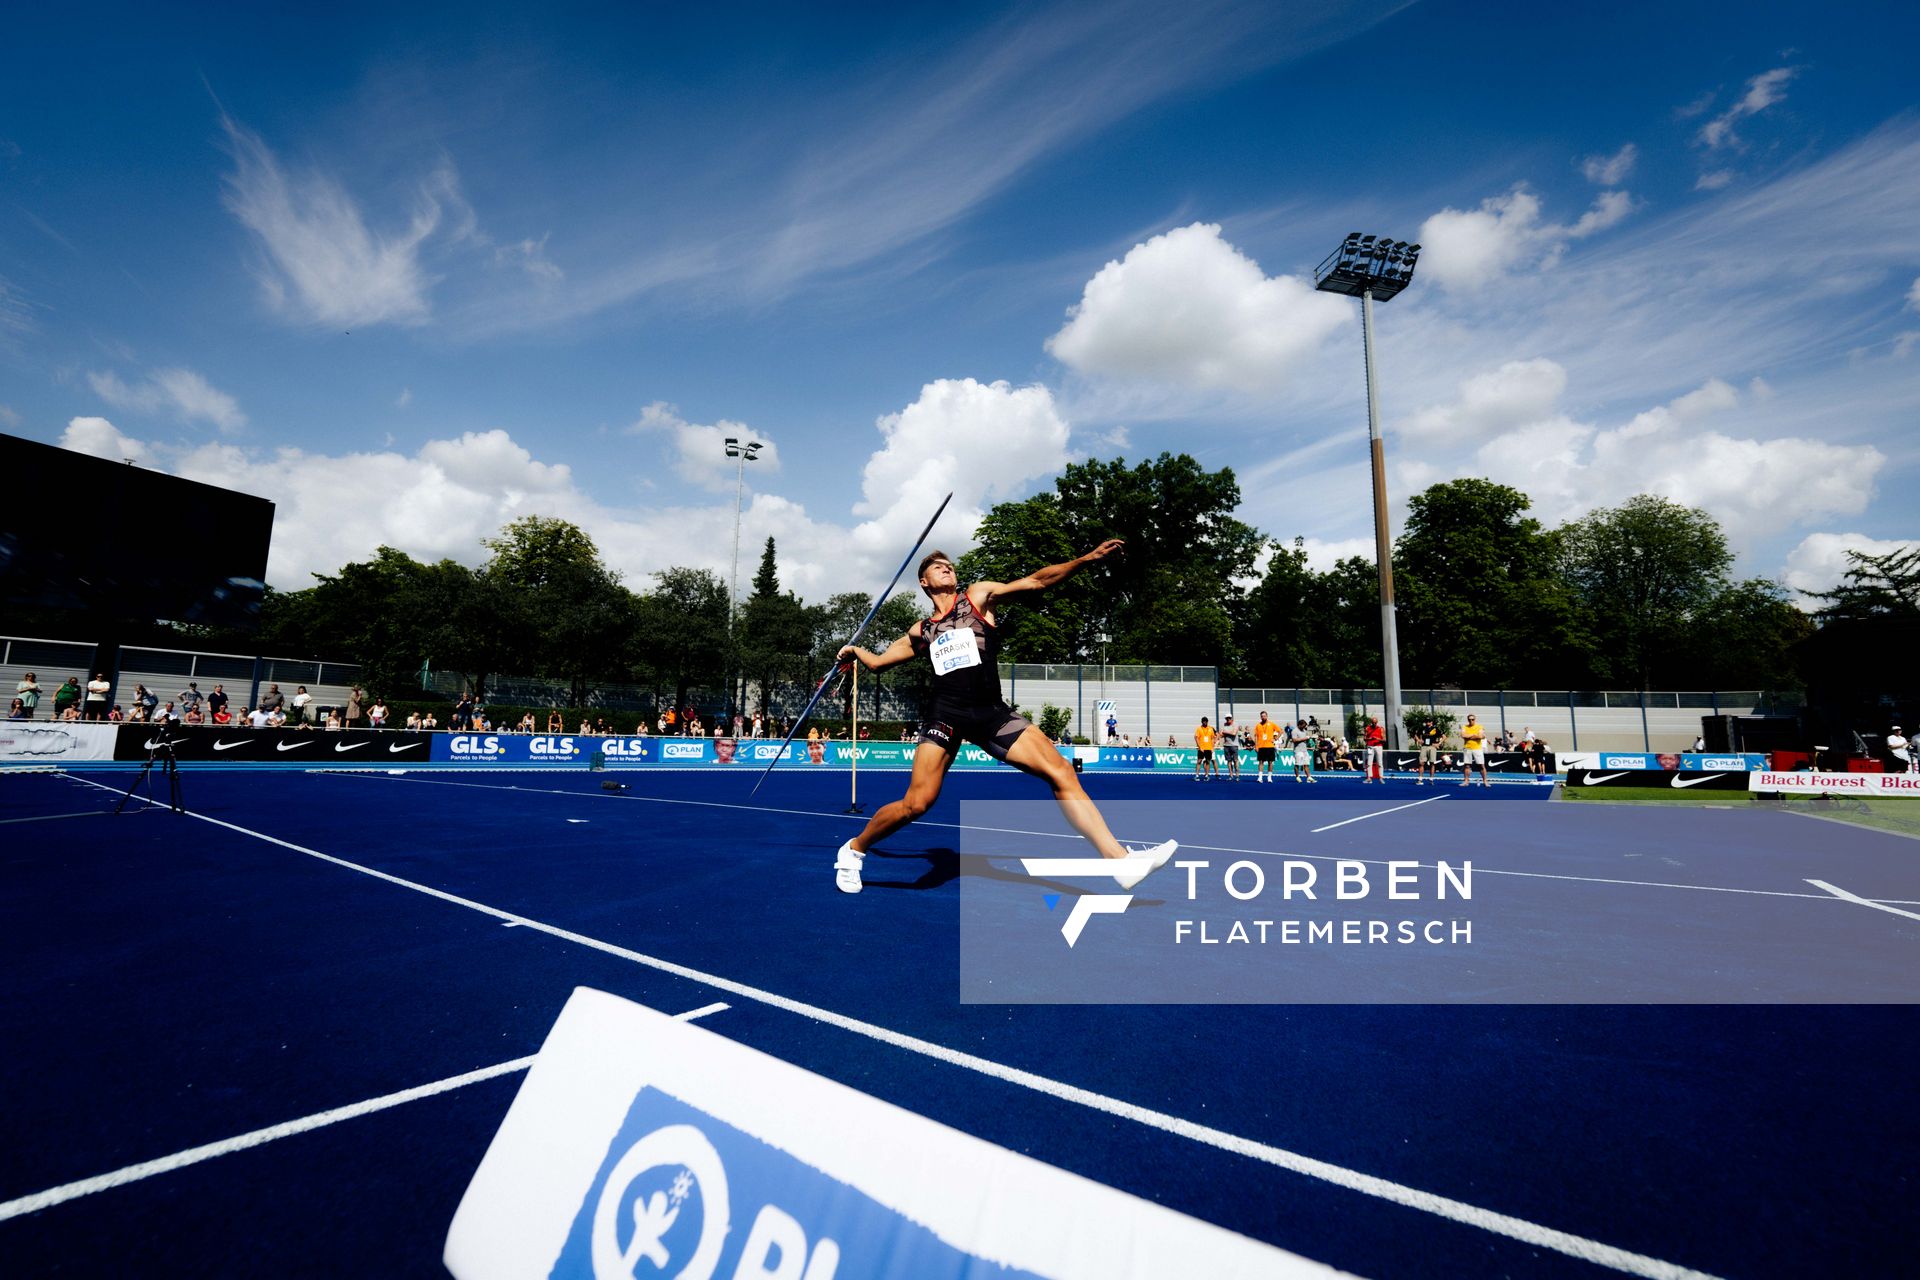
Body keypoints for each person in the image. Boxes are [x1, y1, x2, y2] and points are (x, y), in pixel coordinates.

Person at [831, 542, 1175, 894]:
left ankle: (1119, 862)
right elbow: (878, 662)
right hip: (945, 713)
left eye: (950, 565)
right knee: (917, 803)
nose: (948, 568)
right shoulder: (921, 631)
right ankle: (854, 850)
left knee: (1061, 771)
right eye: (939, 567)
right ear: (924, 582)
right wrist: (854, 651)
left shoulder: (977, 597)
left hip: (991, 712)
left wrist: (1086, 559)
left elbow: (1037, 582)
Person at [1459, 713, 1490, 788]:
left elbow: (1480, 736)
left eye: (1472, 719)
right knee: (1467, 765)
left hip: (1477, 748)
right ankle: (1466, 781)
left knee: (1481, 765)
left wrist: (1469, 736)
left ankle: (1485, 781)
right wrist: (1474, 735)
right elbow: (1463, 735)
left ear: (1475, 719)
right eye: (1469, 719)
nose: (1471, 721)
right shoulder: (1465, 727)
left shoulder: (1479, 726)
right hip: (1467, 748)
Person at [1252, 711, 1280, 782]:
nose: (1263, 717)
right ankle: (1260, 777)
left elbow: (1280, 731)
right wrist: (1256, 746)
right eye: (1262, 716)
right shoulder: (1258, 725)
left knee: (1270, 762)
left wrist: (1276, 738)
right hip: (1261, 746)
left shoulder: (1271, 724)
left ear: (1267, 716)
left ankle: (1269, 777)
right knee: (1261, 762)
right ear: (1260, 717)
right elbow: (1255, 736)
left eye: (1264, 716)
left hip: (1270, 746)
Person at [1416, 718, 1443, 786]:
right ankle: (1420, 779)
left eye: (1429, 721)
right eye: (1426, 721)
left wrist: (1438, 744)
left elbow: (1444, 737)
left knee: (1432, 763)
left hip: (1432, 746)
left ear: (1431, 722)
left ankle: (1431, 779)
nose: (1427, 723)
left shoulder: (1435, 729)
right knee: (1421, 763)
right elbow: (1416, 735)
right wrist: (1419, 740)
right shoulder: (1422, 728)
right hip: (1424, 746)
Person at [1361, 717, 1385, 783]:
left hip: (1378, 746)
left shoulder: (1380, 729)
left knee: (1380, 763)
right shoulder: (1367, 728)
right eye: (1373, 722)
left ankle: (1381, 778)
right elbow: (1365, 738)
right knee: (1369, 763)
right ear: (1371, 722)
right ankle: (1369, 778)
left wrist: (1377, 739)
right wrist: (1370, 739)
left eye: (1375, 722)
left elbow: (1384, 740)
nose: (1374, 723)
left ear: (1377, 722)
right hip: (1370, 746)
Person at [1193, 716, 1218, 780]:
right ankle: (1197, 775)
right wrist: (1199, 747)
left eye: (1206, 721)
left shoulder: (1210, 729)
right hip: (1202, 748)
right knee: (1199, 761)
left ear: (1207, 722)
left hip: (1208, 748)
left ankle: (1207, 775)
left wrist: (1212, 747)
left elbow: (1213, 738)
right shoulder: (1199, 729)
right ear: (1202, 722)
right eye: (1203, 721)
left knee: (1208, 762)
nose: (1204, 722)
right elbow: (1196, 738)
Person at [1219, 715, 1241, 781]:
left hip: (1234, 745)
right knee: (1229, 761)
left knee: (1235, 760)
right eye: (1226, 718)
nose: (1228, 719)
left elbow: (1234, 733)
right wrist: (1228, 733)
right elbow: (1221, 735)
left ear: (1231, 718)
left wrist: (1225, 732)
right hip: (1226, 745)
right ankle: (1231, 775)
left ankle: (1237, 776)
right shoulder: (1224, 725)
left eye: (1229, 718)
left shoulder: (1236, 724)